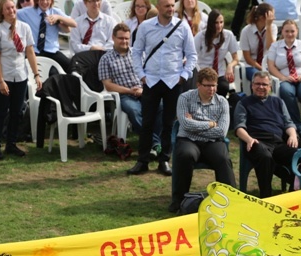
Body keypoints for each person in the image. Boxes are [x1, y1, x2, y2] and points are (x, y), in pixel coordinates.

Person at [129, 0, 197, 177]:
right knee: (147, 123)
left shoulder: (183, 27)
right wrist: (141, 75)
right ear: (157, 7)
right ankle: (142, 161)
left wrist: (184, 75)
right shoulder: (145, 26)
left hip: (173, 81)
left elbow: (191, 55)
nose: (171, 9)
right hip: (150, 80)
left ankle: (164, 160)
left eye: (172, 5)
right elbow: (136, 52)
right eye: (167, 6)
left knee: (168, 123)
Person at [171, 67, 235, 213]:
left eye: (214, 85)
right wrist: (210, 124)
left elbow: (222, 131)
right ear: (198, 85)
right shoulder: (185, 98)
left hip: (212, 142)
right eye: (207, 85)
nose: (211, 89)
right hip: (188, 140)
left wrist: (195, 124)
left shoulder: (222, 102)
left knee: (223, 158)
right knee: (185, 155)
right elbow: (185, 125)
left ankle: (230, 200)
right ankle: (179, 201)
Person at [0, 0, 42, 160]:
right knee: (0, 111)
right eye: (8, 8)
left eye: (13, 7)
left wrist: (36, 74)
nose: (12, 10)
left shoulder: (24, 28)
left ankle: (11, 143)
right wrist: (0, 80)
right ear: (2, 12)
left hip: (20, 75)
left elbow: (30, 52)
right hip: (4, 75)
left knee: (16, 111)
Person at [98, 23, 162, 152]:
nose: (124, 41)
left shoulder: (139, 54)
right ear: (113, 38)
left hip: (144, 90)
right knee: (135, 111)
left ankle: (154, 143)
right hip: (124, 95)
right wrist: (129, 91)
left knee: (161, 105)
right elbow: (108, 85)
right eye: (121, 38)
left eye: (127, 38)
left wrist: (143, 90)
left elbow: (151, 74)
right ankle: (155, 143)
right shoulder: (105, 59)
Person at [233, 70, 298, 198]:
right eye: (257, 84)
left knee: (296, 154)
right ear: (252, 85)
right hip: (257, 141)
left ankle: (294, 191)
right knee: (265, 157)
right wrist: (249, 139)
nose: (260, 87)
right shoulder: (244, 103)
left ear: (270, 87)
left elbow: (288, 123)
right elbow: (239, 127)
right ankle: (266, 195)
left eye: (264, 84)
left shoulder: (278, 102)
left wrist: (293, 135)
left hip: (278, 142)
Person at [266, 19, 301, 141]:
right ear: (282, 32)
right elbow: (271, 66)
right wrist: (283, 77)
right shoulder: (275, 46)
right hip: (285, 79)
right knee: (287, 92)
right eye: (287, 31)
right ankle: (299, 127)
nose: (289, 34)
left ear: (297, 31)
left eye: (292, 31)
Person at [17, 0, 77, 73]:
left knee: (73, 68)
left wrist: (58, 18)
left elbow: (74, 23)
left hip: (52, 52)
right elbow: (12, 13)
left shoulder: (55, 12)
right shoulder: (27, 12)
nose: (45, 2)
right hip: (35, 52)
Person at [193, 10, 238, 97]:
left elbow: (236, 58)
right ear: (210, 23)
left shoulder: (228, 35)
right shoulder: (201, 36)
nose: (219, 25)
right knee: (205, 89)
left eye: (221, 22)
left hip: (219, 73)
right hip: (202, 71)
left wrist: (230, 66)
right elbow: (193, 55)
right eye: (216, 23)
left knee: (223, 87)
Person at [239, 3, 276, 84]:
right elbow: (248, 58)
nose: (274, 18)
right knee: (259, 78)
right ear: (263, 18)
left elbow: (271, 48)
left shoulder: (272, 28)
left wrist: (268, 27)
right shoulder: (246, 31)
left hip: (267, 64)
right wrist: (262, 68)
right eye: (272, 16)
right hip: (250, 65)